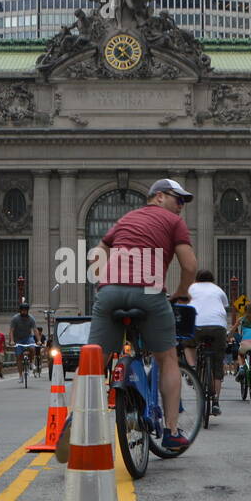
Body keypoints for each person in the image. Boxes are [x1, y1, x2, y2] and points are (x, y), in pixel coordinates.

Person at [87, 178, 198, 449]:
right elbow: (190, 266)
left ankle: (74, 420)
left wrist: (106, 280)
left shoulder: (126, 219)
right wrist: (182, 292)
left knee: (93, 360)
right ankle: (172, 431)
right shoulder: (174, 222)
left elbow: (96, 254)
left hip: (110, 291)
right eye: (177, 199)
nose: (181, 206)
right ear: (158, 197)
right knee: (168, 357)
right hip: (148, 292)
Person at [184, 270, 231, 415]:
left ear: (197, 279)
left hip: (197, 324)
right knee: (217, 364)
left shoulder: (191, 288)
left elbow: (184, 304)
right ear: (212, 279)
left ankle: (192, 370)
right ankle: (216, 401)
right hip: (218, 327)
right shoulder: (218, 290)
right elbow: (225, 306)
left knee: (188, 344)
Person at [10, 302, 40, 382]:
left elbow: (35, 330)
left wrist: (39, 340)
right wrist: (12, 341)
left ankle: (31, 363)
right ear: (20, 311)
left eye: (25, 310)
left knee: (32, 348)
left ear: (28, 311)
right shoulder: (15, 319)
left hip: (28, 337)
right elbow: (11, 331)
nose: (24, 312)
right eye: (22, 310)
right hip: (18, 339)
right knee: (19, 358)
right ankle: (20, 376)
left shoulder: (31, 319)